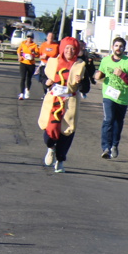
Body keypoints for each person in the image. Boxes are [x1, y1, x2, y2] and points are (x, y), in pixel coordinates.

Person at [38, 36, 90, 173]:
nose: (69, 51)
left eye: (72, 49)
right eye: (67, 48)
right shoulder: (52, 62)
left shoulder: (80, 65)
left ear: (76, 50)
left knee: (67, 131)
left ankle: (60, 160)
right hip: (53, 101)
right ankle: (51, 148)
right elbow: (43, 77)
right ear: (62, 48)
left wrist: (80, 82)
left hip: (70, 102)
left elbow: (86, 88)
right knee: (49, 129)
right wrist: (46, 82)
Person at [93, 36, 128, 159]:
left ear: (124, 48)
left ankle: (114, 145)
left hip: (123, 97)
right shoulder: (105, 60)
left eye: (121, 46)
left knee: (118, 122)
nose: (118, 48)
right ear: (112, 47)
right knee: (108, 119)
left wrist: (122, 75)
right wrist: (98, 75)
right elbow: (101, 73)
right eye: (116, 46)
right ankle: (106, 148)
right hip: (108, 95)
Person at [16, 32, 41, 99]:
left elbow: (37, 54)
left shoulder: (34, 45)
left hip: (31, 63)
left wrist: (33, 51)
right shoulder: (23, 43)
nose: (29, 38)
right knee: (23, 78)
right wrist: (19, 57)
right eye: (28, 37)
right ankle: (21, 93)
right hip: (23, 62)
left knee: (28, 78)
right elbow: (18, 50)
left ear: (32, 38)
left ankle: (27, 90)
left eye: (30, 37)